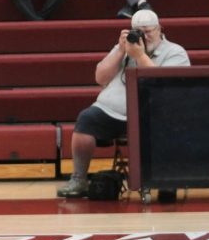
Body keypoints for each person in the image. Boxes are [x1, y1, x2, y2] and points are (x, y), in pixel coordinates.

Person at [56, 10, 190, 198]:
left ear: (160, 29)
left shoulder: (175, 52)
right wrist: (120, 51)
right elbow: (100, 77)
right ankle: (79, 179)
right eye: (138, 31)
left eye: (148, 31)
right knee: (86, 119)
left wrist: (140, 56)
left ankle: (163, 178)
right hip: (113, 110)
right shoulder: (125, 47)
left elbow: (162, 85)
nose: (144, 36)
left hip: (154, 115)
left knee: (169, 126)